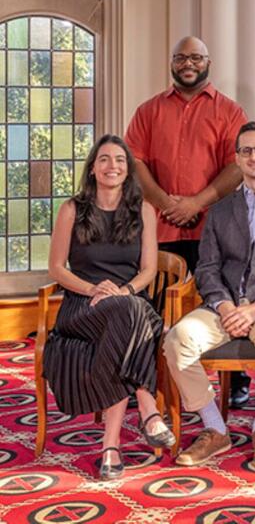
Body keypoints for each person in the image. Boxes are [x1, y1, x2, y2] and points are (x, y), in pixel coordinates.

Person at [163, 122, 255, 468]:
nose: (254, 156)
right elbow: (206, 267)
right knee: (177, 339)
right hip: (224, 305)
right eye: (246, 150)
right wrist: (226, 304)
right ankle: (215, 428)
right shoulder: (219, 210)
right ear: (237, 158)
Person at [124, 36, 250, 405]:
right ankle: (149, 379)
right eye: (180, 57)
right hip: (161, 227)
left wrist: (197, 202)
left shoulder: (230, 111)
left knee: (222, 300)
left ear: (208, 62)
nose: (187, 63)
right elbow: (136, 162)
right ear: (172, 63)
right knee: (155, 306)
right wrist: (166, 203)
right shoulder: (148, 111)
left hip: (215, 227)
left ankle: (236, 378)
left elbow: (237, 165)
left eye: (195, 57)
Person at [43, 136, 171, 480]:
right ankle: (147, 406)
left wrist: (124, 291)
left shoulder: (143, 209)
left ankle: (110, 444)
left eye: (119, 160)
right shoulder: (73, 209)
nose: (112, 166)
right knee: (131, 316)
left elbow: (147, 270)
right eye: (104, 159)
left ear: (128, 169)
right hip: (82, 307)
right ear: (93, 168)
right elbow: (56, 268)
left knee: (127, 314)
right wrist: (93, 288)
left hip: (129, 303)